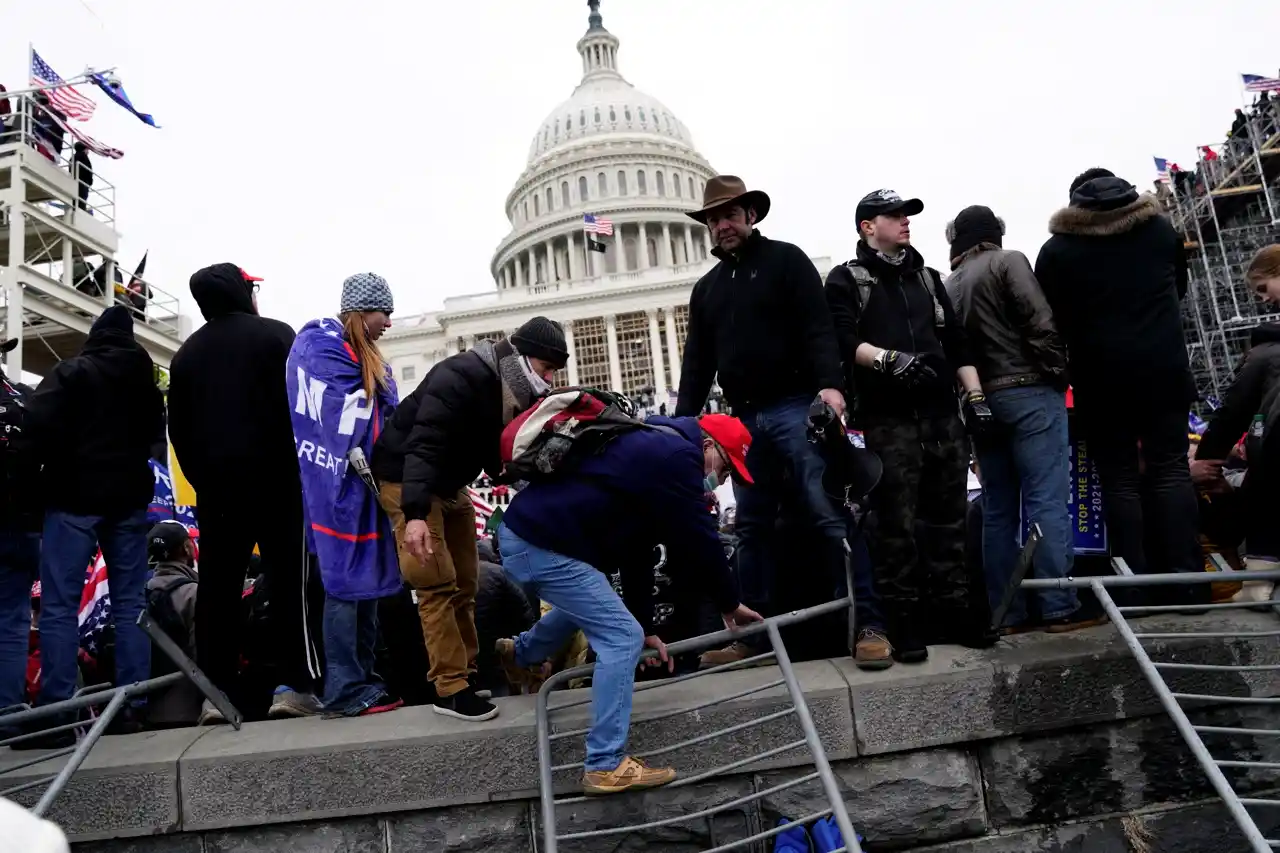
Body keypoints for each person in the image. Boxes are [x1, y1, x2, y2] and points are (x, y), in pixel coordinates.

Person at [495, 412, 762, 795]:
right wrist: (730, 602)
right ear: (708, 446)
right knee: (621, 637)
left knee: (593, 606)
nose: (721, 481)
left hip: (528, 537)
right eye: (726, 468)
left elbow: (636, 552)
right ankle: (605, 764)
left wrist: (647, 627)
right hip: (540, 546)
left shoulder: (653, 445)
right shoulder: (677, 457)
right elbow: (700, 538)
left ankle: (521, 654)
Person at [674, 175, 847, 667]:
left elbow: (818, 329)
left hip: (795, 404)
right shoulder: (707, 290)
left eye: (730, 215)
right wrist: (681, 427)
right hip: (745, 419)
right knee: (751, 528)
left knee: (826, 509)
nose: (722, 226)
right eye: (713, 219)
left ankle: (862, 619)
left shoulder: (786, 261)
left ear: (750, 215)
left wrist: (830, 386)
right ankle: (753, 639)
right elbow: (696, 365)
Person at [824, 190, 993, 662]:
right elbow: (842, 337)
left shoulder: (928, 278)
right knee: (894, 528)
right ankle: (904, 623)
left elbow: (956, 342)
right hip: (887, 422)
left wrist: (975, 397)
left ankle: (955, 613)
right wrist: (887, 360)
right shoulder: (846, 279)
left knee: (950, 522)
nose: (905, 221)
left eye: (906, 215)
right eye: (893, 215)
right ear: (867, 226)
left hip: (942, 419)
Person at [372, 317, 567, 721]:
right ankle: (449, 689)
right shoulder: (459, 377)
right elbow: (424, 444)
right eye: (547, 368)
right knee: (435, 582)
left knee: (466, 581)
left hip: (448, 483)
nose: (549, 379)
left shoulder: (505, 388)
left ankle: (467, 673)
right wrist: (415, 515)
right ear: (524, 358)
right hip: (407, 480)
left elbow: (493, 452)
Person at [1034, 169, 1204, 606]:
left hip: (1101, 378)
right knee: (1171, 470)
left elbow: (1051, 317)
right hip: (1164, 370)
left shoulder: (1057, 251)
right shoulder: (1160, 232)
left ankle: (1134, 589)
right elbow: (1178, 289)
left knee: (1120, 480)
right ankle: (1188, 581)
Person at [169, 263, 323, 722]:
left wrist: (204, 480)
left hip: (218, 492)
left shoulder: (186, 355)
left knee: (217, 591)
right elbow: (304, 408)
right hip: (279, 483)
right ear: (242, 292)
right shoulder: (277, 336)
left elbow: (179, 432)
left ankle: (215, 694)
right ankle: (295, 686)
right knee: (290, 583)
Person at [944, 206, 1102, 633]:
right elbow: (1040, 321)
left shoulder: (949, 283)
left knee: (997, 508)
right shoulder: (1008, 261)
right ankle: (1058, 606)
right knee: (1045, 499)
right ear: (994, 233)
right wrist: (1057, 373)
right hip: (1029, 390)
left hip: (980, 402)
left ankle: (1007, 613)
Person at [20, 306, 164, 746]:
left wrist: (40, 475)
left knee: (59, 606)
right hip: (128, 502)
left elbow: (33, 426)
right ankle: (133, 704)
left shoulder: (73, 373)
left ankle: (58, 712)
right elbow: (155, 438)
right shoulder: (144, 383)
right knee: (130, 603)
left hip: (73, 498)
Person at [288, 273, 404, 718]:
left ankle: (364, 680)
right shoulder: (320, 349)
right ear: (360, 311)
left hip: (365, 488)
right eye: (383, 313)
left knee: (366, 584)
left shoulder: (363, 356)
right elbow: (338, 417)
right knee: (343, 586)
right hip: (335, 488)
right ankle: (343, 687)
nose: (388, 322)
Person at [1196, 245, 1280, 602]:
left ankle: (1258, 585)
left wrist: (1207, 459)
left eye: (1263, 288)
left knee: (1264, 495)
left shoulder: (1266, 352)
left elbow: (1232, 413)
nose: (1264, 300)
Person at [0, 339, 41, 732]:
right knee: (12, 621)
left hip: (20, 525)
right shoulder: (25, 398)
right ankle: (8, 713)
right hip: (23, 524)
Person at [144, 520, 201, 728]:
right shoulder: (194, 593)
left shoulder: (138, 596)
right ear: (187, 548)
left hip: (147, 712)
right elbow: (204, 655)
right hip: (190, 712)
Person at [72, 141, 92, 213]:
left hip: (74, 181)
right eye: (87, 149)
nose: (88, 151)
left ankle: (75, 210)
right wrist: (90, 181)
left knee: (75, 199)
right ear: (84, 149)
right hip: (83, 181)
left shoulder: (73, 157)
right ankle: (81, 211)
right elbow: (88, 170)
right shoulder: (84, 157)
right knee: (82, 199)